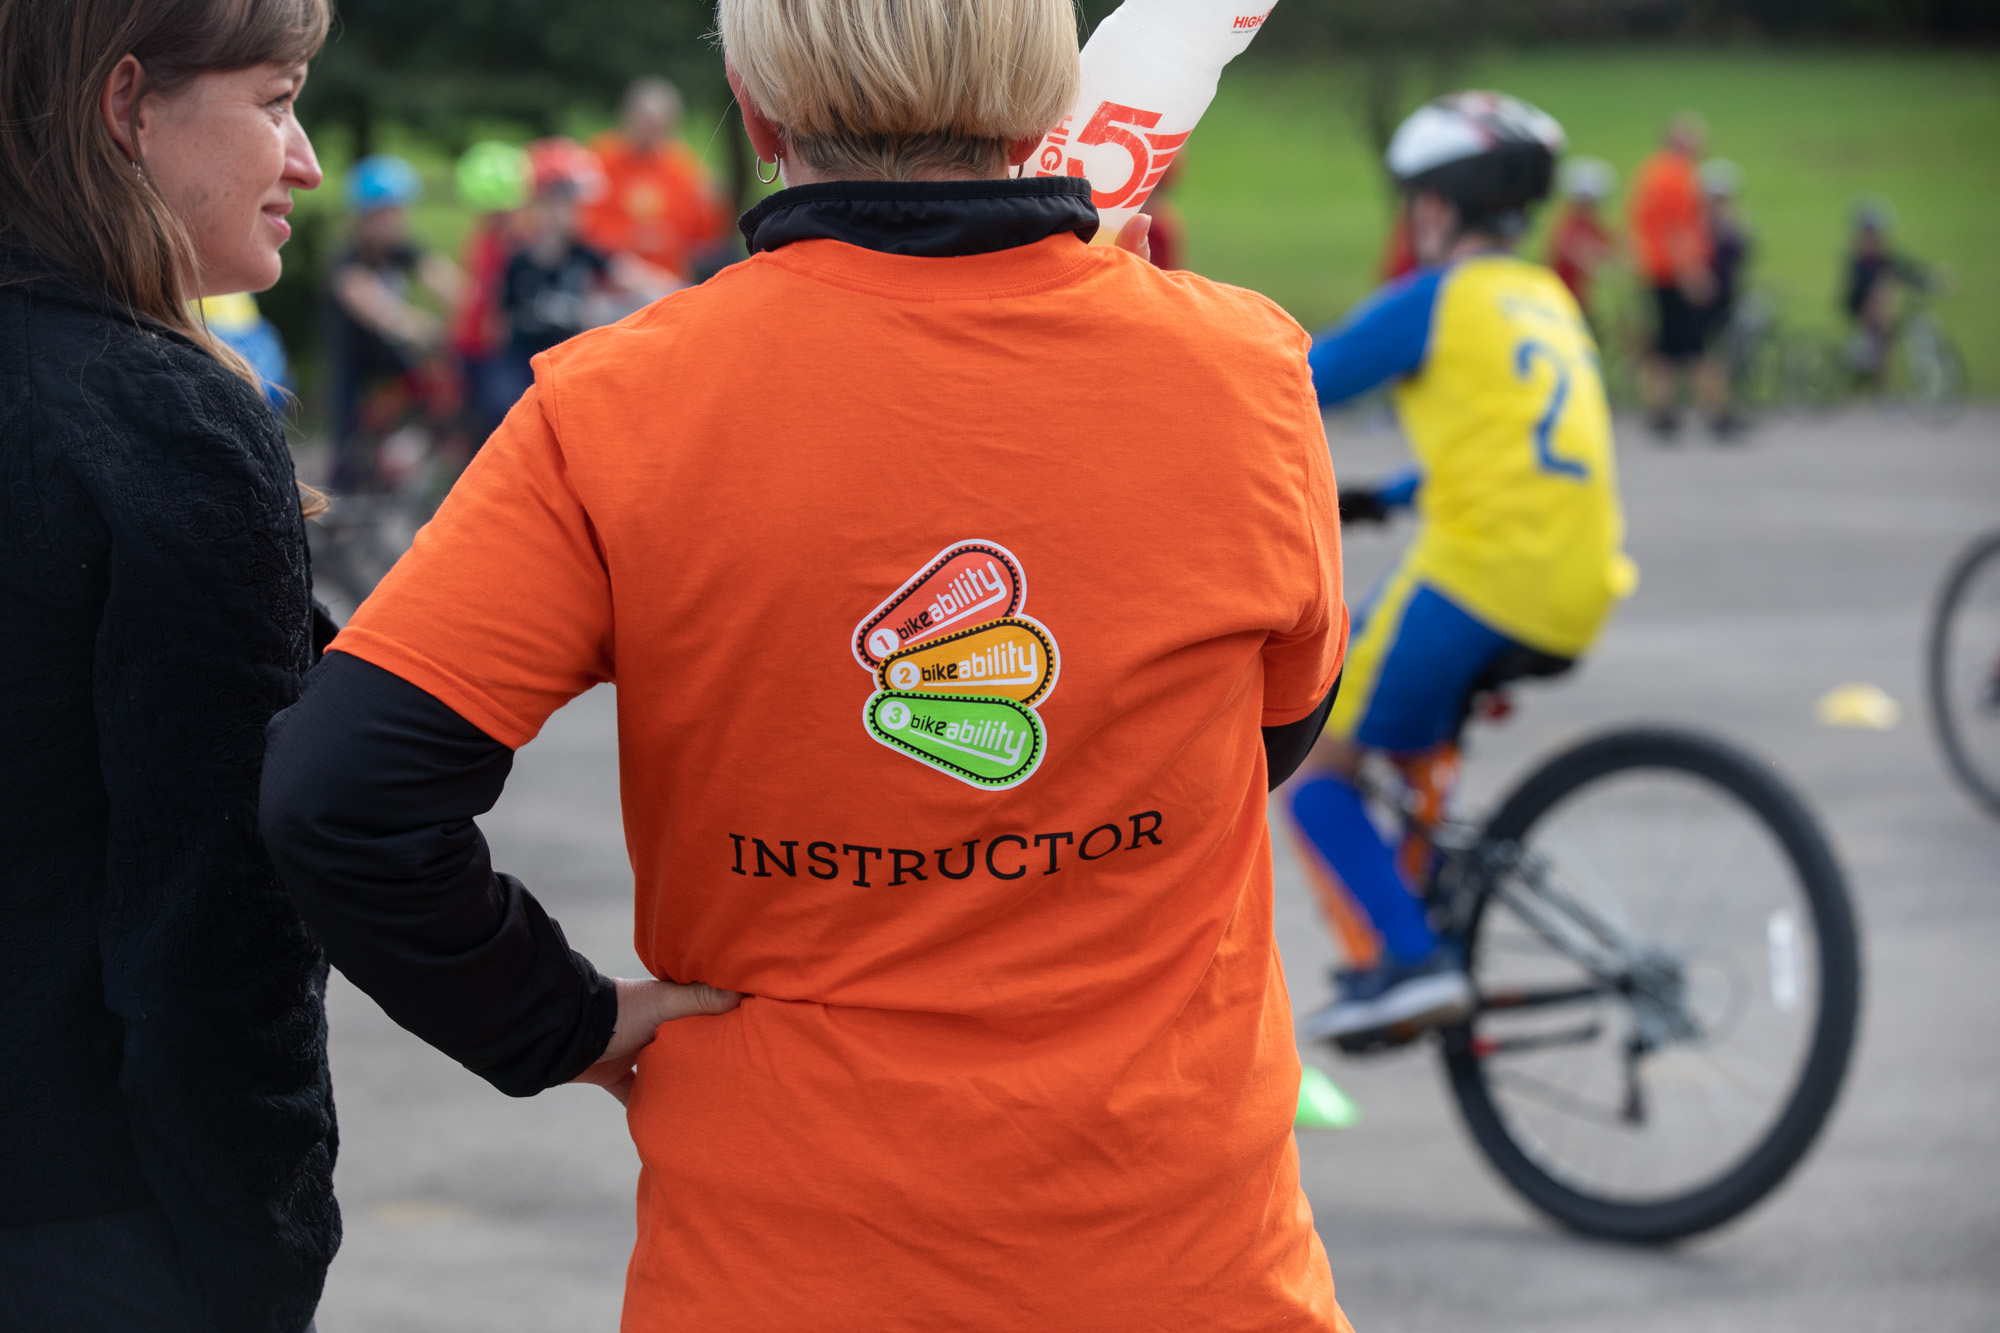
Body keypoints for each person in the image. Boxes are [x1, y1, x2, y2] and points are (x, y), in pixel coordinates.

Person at [259, 0, 1355, 1326]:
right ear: (1039, 89)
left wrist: (554, 1019)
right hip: (1185, 1265)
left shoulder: (618, 410)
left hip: (784, 1269)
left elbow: (344, 794)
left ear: (753, 99)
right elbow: (1267, 737)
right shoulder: (1246, 374)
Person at [0, 0, 340, 1330]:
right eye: (275, 99)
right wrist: (267, 1241)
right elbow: (217, 920)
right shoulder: (159, 418)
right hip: (89, 1221)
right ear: (126, 103)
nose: (301, 158)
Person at [1287, 91, 1634, 1044]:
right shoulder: (1547, 297)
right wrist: (1387, 495)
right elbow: (1520, 442)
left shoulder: (1433, 302)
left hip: (1481, 575)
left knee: (1318, 764)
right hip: (1577, 584)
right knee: (1407, 739)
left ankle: (1406, 960)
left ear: (1434, 209)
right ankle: (1424, 905)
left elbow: (1287, 387)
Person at [326, 153, 463, 490]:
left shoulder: (403, 248)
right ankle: (344, 493)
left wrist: (473, 307)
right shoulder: (347, 258)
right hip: (354, 351)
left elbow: (444, 279)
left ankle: (421, 462)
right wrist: (411, 322)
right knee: (346, 427)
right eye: (383, 214)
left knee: (433, 391)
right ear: (363, 217)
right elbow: (368, 301)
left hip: (389, 349)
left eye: (397, 211)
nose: (393, 221)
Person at [1630, 112, 1727, 439]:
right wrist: (1692, 272)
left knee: (1665, 346)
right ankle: (1716, 412)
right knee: (1695, 344)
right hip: (1674, 272)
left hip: (1654, 270)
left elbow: (1640, 223)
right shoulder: (1680, 176)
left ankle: (1662, 412)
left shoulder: (1650, 172)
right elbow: (1677, 229)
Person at [582, 76, 730, 283]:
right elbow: (584, 225)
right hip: (609, 279)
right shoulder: (601, 161)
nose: (650, 131)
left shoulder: (683, 167)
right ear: (627, 116)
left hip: (668, 282)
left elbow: (703, 239)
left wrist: (713, 206)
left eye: (659, 125)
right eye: (644, 121)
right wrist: (630, 237)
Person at [448, 139, 534, 442]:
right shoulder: (492, 241)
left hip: (486, 346)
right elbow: (488, 299)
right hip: (479, 346)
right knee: (488, 418)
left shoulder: (502, 240)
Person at [1843, 201, 1929, 388]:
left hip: (1877, 312)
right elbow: (1855, 294)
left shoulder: (1883, 258)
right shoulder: (1859, 261)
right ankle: (1867, 369)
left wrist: (1928, 279)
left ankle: (1877, 381)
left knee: (1885, 335)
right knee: (1882, 300)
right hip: (1862, 308)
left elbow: (1906, 270)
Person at [1545, 155, 1617, 320]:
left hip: (1580, 299)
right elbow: (1575, 250)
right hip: (1561, 298)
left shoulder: (1593, 224)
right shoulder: (1568, 224)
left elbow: (1612, 245)